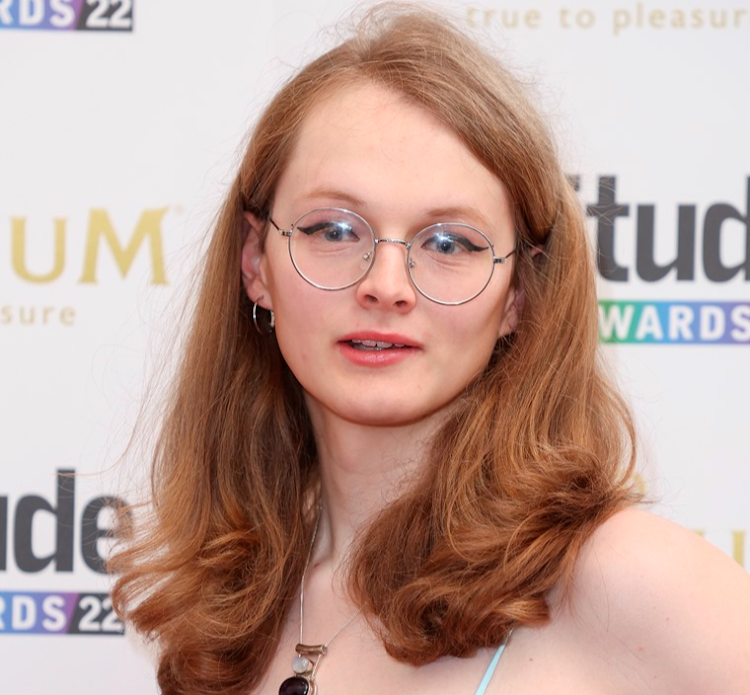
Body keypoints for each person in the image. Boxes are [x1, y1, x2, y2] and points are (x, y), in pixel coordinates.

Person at [111, 4, 750, 695]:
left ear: (518, 296)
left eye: (450, 243)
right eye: (333, 230)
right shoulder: (229, 606)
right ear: (255, 263)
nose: (386, 286)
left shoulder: (627, 580)